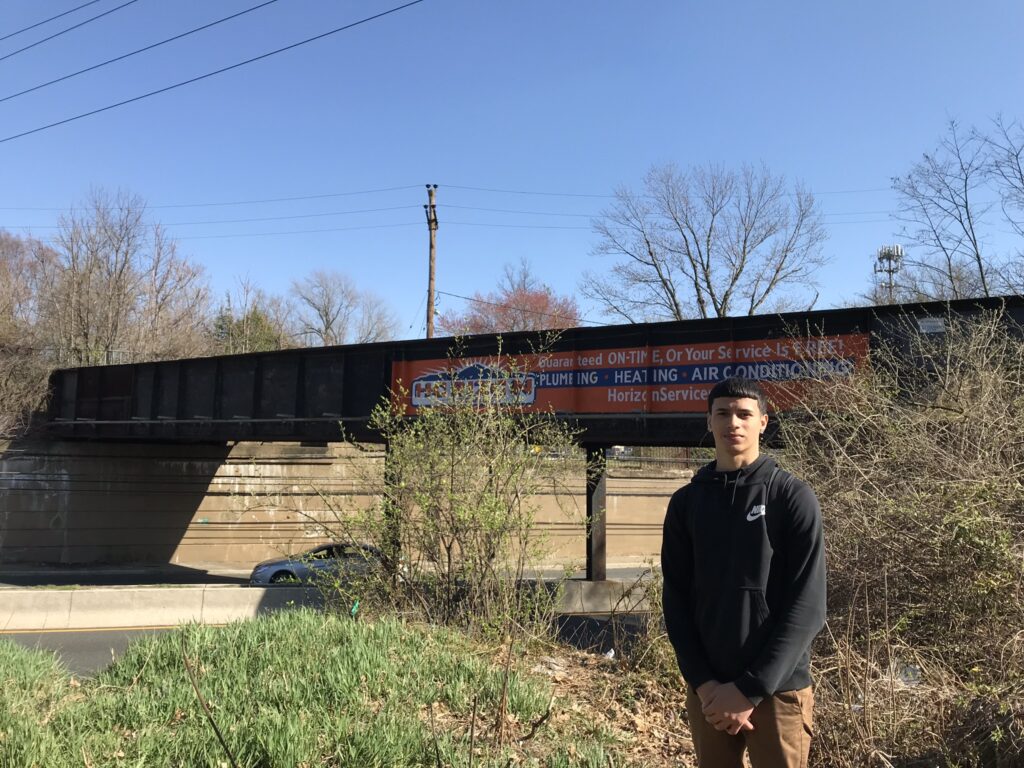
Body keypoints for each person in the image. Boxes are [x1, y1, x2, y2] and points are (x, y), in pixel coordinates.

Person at [661, 377, 826, 768]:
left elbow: (808, 607)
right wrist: (704, 683)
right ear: (709, 421)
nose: (732, 422)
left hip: (778, 691)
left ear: (763, 422)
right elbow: (676, 599)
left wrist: (750, 689)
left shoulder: (790, 497)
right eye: (722, 413)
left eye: (744, 413)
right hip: (711, 693)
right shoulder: (686, 503)